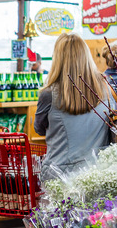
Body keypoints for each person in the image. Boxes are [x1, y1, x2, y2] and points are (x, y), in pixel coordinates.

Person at [34, 33, 112, 180]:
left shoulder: (49, 94)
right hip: (97, 172)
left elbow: (39, 129)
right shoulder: (105, 89)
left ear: (57, 59)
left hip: (59, 174)